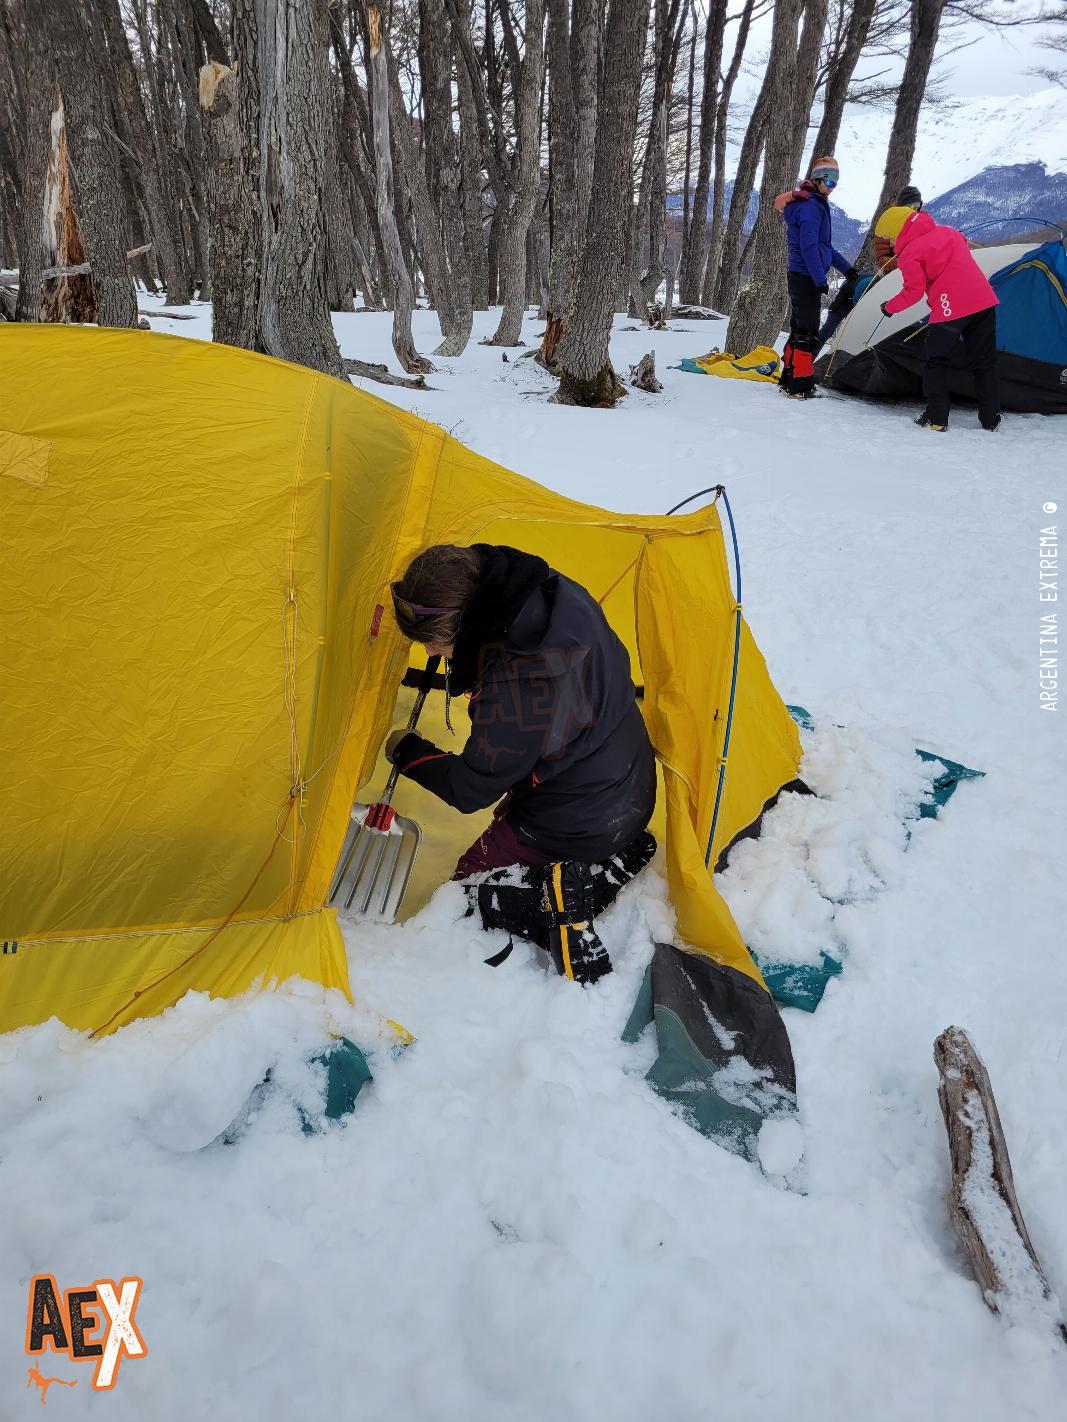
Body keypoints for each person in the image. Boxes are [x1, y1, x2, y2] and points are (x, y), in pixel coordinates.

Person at [384, 543, 657, 984]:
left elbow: (471, 789)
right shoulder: (554, 593)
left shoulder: (519, 686)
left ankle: (549, 902)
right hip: (629, 785)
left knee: (462, 895)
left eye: (435, 644)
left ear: (464, 627)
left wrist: (407, 752)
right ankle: (613, 852)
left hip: (578, 818)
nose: (434, 656)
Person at [874, 204, 1001, 432]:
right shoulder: (948, 232)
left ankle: (937, 417)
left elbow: (913, 292)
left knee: (934, 359)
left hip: (951, 306)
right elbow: (961, 241)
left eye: (888, 238)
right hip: (984, 300)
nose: (890, 244)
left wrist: (889, 307)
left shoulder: (910, 254)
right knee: (984, 362)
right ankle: (991, 419)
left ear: (896, 232)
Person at [775, 154, 856, 398]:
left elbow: (824, 247)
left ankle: (788, 379)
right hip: (805, 276)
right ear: (819, 180)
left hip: (802, 275)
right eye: (830, 183)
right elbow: (810, 246)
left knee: (799, 329)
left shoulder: (815, 203)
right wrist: (820, 279)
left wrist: (847, 270)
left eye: (835, 184)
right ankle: (801, 387)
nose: (832, 189)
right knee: (807, 333)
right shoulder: (811, 206)